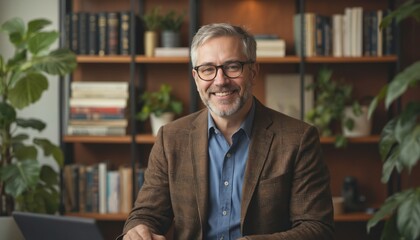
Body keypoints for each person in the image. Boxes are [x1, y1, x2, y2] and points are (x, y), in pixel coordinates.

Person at [120, 23, 334, 240]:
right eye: (207, 69)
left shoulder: (298, 139)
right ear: (196, 78)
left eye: (232, 66)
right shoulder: (171, 138)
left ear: (253, 72)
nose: (220, 81)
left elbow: (316, 228)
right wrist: (139, 230)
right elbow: (147, 214)